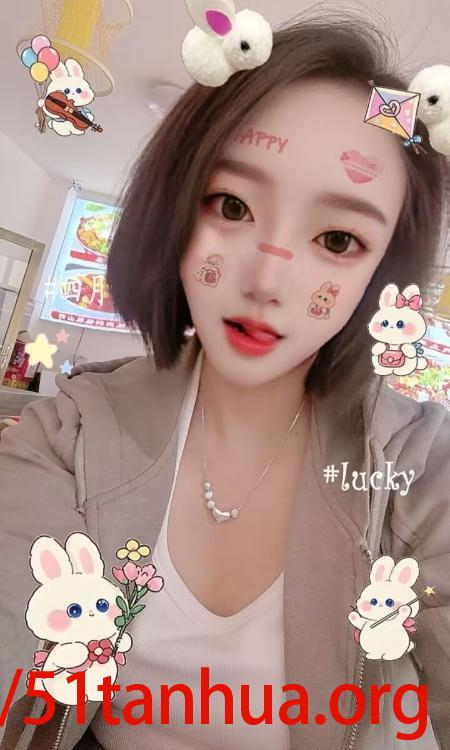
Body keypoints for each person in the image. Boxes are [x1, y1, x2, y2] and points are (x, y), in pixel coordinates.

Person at [1, 8, 449, 750]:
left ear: (382, 274)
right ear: (177, 209)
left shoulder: (417, 464)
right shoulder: (64, 435)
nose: (266, 281)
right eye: (232, 206)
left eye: (338, 239)